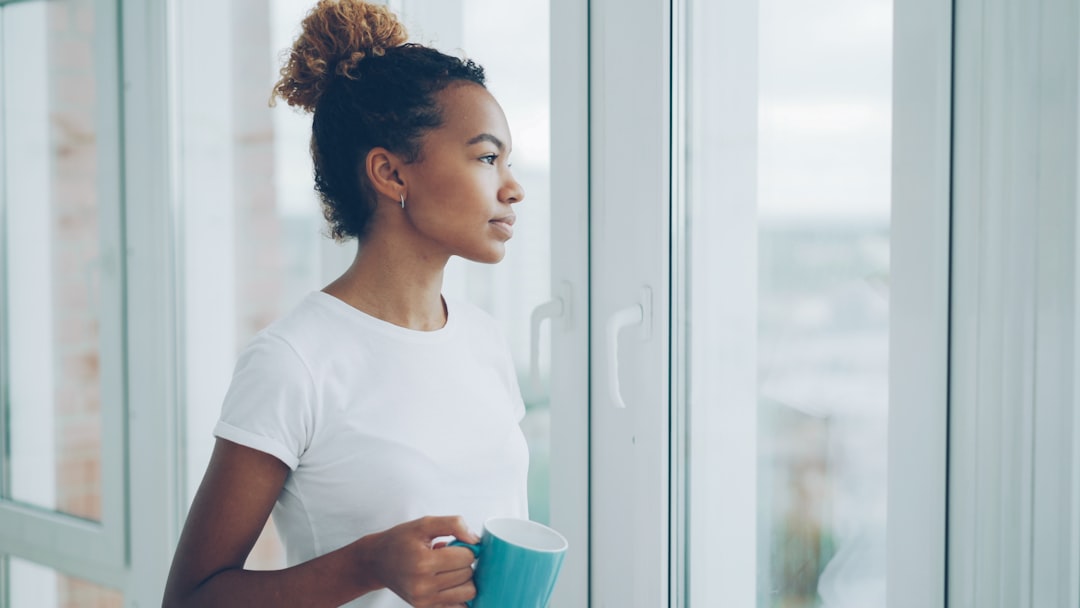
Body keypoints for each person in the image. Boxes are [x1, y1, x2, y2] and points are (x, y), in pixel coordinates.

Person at [162, 1, 528, 606]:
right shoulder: (293, 362)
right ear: (390, 173)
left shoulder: (485, 341)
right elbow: (191, 597)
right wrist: (367, 564)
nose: (512, 186)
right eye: (488, 157)